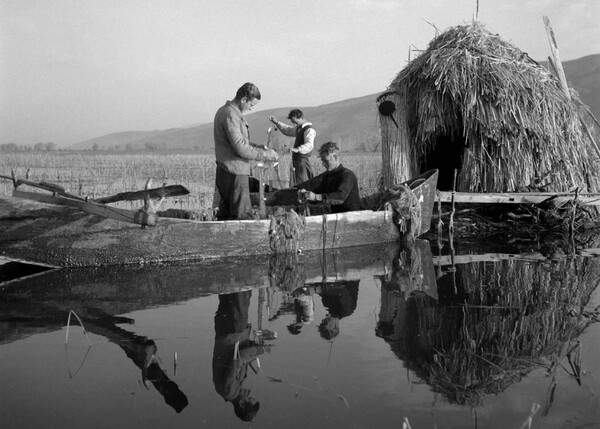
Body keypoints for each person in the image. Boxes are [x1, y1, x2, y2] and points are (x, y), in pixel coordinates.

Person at [214, 82, 278, 220]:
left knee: (226, 216)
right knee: (241, 217)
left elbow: (240, 142)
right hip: (235, 172)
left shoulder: (225, 111)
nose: (250, 108)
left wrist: (259, 147)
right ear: (243, 99)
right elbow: (240, 148)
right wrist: (265, 155)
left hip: (226, 171)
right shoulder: (230, 115)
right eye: (251, 105)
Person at [212, 290, 269, 422]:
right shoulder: (230, 390)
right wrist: (253, 345)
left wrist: (258, 350)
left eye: (249, 398)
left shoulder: (229, 390)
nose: (248, 393)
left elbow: (238, 359)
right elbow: (240, 359)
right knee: (227, 293)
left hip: (232, 332)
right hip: (229, 332)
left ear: (242, 404)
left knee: (241, 292)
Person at [294, 141, 361, 214]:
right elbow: (320, 195)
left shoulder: (347, 175)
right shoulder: (328, 176)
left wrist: (315, 197)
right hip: (336, 215)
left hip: (353, 216)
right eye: (322, 161)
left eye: (326, 161)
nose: (324, 164)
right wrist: (307, 196)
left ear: (335, 157)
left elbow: (340, 197)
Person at [269, 109, 315, 185]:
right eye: (293, 123)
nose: (295, 125)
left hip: (302, 161)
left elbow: (309, 145)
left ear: (301, 118)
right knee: (296, 183)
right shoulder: (299, 128)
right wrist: (277, 123)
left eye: (296, 122)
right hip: (296, 161)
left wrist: (298, 149)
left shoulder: (309, 130)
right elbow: (288, 130)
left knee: (302, 183)